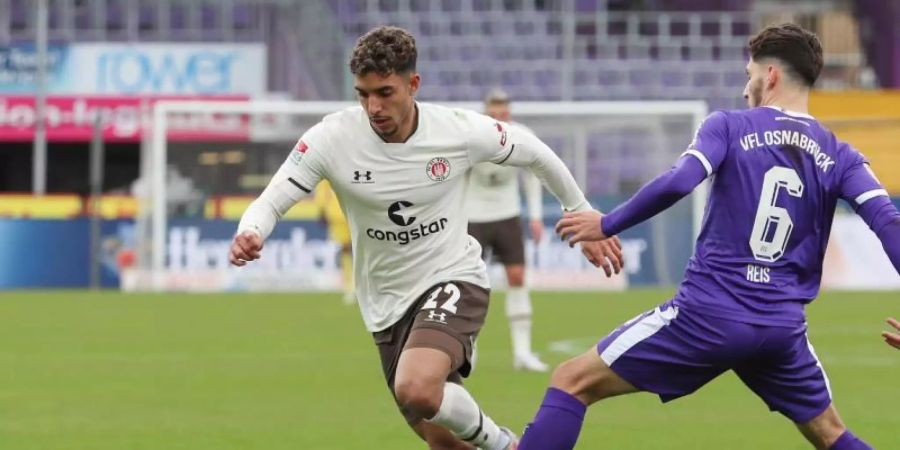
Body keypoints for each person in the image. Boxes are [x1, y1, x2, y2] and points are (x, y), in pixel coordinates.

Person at [228, 26, 623, 450]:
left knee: (416, 386)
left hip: (452, 277)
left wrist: (578, 209)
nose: (373, 106)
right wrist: (250, 231)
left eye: (385, 92)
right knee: (444, 442)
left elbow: (535, 152)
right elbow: (271, 201)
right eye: (363, 94)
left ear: (413, 84)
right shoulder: (331, 138)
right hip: (385, 304)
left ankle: (507, 445)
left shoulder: (457, 131)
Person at [519, 23, 900, 450]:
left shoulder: (729, 126)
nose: (745, 88)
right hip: (780, 329)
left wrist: (606, 224)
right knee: (831, 434)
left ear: (770, 76)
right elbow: (889, 224)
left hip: (708, 316)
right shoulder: (842, 155)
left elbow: (680, 181)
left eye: (748, 74)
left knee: (571, 381)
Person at [465, 89, 548, 372]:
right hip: (474, 215)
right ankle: (468, 350)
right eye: (494, 110)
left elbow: (535, 175)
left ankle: (522, 353)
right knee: (470, 282)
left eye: (503, 110)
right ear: (486, 111)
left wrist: (535, 217)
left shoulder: (522, 135)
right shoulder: (472, 135)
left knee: (517, 276)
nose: (499, 115)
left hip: (507, 214)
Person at [313, 180, 355, 304]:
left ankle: (351, 287)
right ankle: (352, 286)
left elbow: (321, 194)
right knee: (351, 250)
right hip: (348, 213)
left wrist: (321, 211)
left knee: (347, 250)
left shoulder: (327, 171)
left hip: (337, 213)